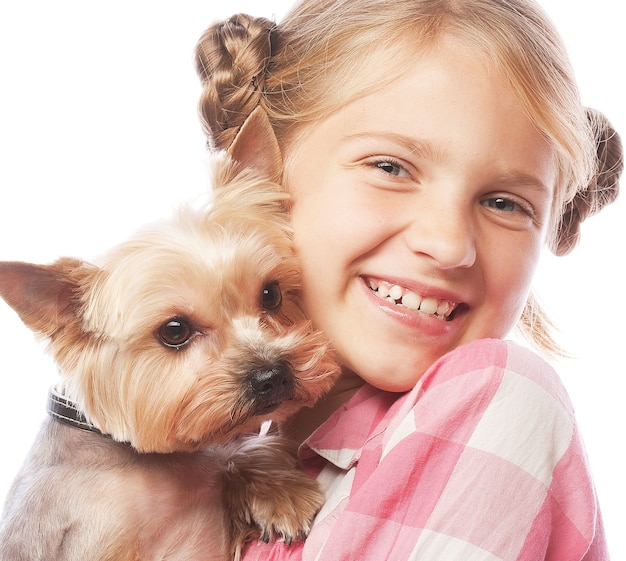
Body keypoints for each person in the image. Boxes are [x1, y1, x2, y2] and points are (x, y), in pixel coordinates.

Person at [194, 1, 622, 559]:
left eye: (504, 203)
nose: (448, 245)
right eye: (390, 167)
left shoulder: (497, 396)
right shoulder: (224, 469)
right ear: (261, 172)